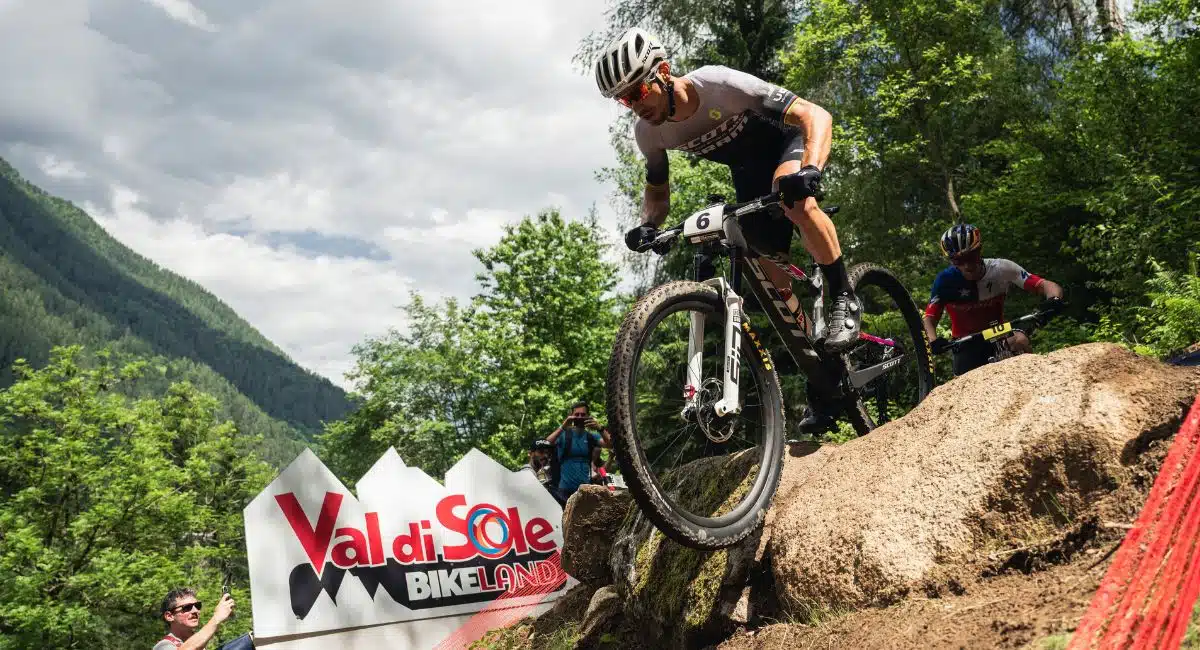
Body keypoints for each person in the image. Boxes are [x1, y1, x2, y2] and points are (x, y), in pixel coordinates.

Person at [594, 27, 859, 433]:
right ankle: (824, 373)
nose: (635, 106)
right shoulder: (649, 133)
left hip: (788, 146)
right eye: (624, 100)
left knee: (793, 200)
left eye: (638, 92)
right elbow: (657, 190)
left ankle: (843, 294)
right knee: (774, 286)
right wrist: (649, 225)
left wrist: (810, 169)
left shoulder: (717, 84)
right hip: (748, 176)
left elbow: (814, 114)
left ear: (663, 71)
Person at [923, 223, 1065, 376]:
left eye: (971, 257)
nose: (967, 265)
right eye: (958, 261)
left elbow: (1044, 285)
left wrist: (1054, 299)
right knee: (965, 384)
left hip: (998, 332)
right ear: (951, 261)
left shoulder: (1001, 268)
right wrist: (933, 340)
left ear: (979, 250)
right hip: (966, 342)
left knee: (1020, 341)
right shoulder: (945, 281)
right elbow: (929, 318)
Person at [546, 400, 612, 501]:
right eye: (577, 414)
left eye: (583, 415)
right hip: (564, 491)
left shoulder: (591, 437)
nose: (580, 417)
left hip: (585, 491)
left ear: (588, 416)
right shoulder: (564, 435)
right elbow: (547, 443)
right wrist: (563, 426)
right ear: (571, 416)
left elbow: (610, 444)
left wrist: (600, 428)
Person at [153, 588, 236, 650]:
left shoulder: (201, 643)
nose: (195, 611)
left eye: (197, 606)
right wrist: (216, 618)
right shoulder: (163, 646)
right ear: (169, 616)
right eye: (187, 607)